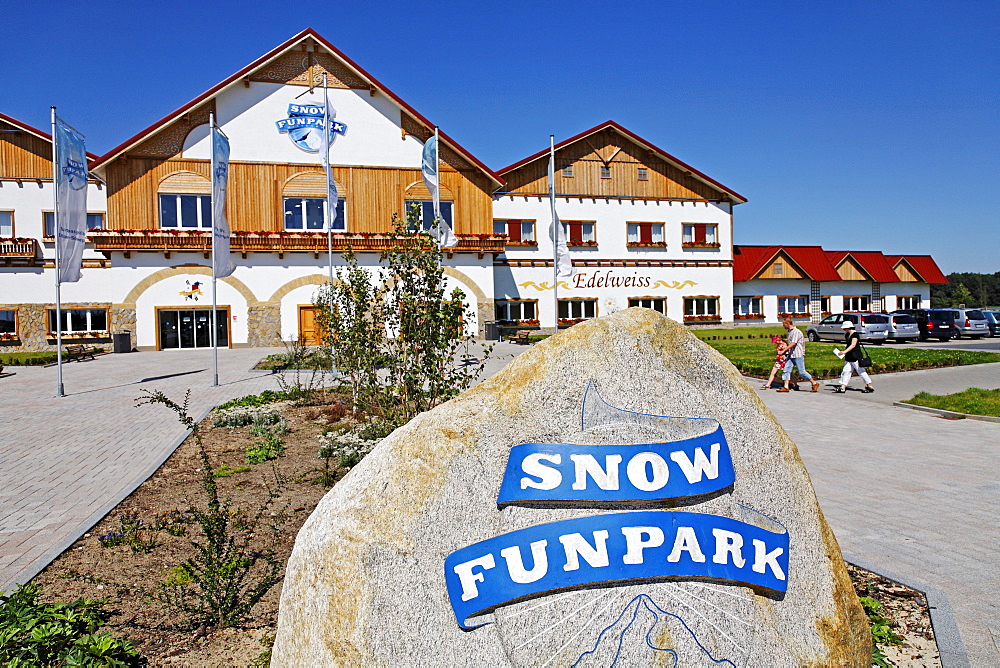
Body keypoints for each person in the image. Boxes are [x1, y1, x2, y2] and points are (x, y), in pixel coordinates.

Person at [778, 318, 820, 393]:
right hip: (791, 355)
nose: (783, 326)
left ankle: (814, 383)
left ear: (787, 323)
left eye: (784, 324)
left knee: (802, 372)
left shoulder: (796, 332)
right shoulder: (790, 332)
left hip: (798, 354)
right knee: (786, 370)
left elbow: (794, 343)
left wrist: (784, 350)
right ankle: (786, 387)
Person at [837, 320, 874, 393]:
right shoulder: (847, 335)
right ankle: (843, 387)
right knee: (846, 371)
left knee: (860, 371)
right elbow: (848, 345)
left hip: (855, 356)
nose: (844, 330)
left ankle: (869, 385)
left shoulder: (855, 335)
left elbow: (853, 345)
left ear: (848, 327)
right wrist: (845, 352)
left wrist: (844, 352)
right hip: (849, 356)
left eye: (844, 328)